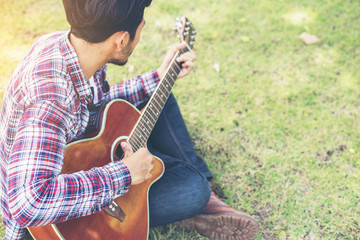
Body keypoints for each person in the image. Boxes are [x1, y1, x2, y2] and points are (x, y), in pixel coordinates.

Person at [0, 0, 259, 239]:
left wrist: (160, 76)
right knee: (193, 189)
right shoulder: (50, 100)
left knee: (160, 95)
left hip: (79, 155)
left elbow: (97, 103)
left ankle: (187, 192)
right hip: (56, 222)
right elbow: (28, 204)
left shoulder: (72, 46)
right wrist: (125, 173)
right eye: (140, 29)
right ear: (121, 39)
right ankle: (200, 198)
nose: (139, 37)